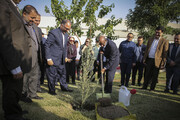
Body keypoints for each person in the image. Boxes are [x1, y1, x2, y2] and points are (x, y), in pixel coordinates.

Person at [0, 0, 32, 119]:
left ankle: (15, 110)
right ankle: (12, 115)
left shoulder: (13, 6)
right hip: (11, 61)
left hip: (17, 59)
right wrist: (13, 66)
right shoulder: (3, 4)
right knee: (11, 91)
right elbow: (3, 36)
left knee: (16, 90)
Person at [45, 19, 73, 95]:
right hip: (53, 59)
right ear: (61, 25)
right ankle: (52, 90)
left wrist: (65, 56)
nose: (67, 30)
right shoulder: (53, 33)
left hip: (62, 59)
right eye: (66, 28)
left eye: (69, 29)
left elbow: (64, 47)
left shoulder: (66, 35)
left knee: (63, 74)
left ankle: (64, 87)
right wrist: (48, 58)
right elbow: (47, 45)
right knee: (52, 75)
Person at [21, 5, 43, 100]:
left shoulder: (35, 28)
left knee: (34, 76)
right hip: (25, 56)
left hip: (36, 56)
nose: (34, 20)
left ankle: (32, 94)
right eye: (32, 17)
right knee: (25, 78)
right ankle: (23, 94)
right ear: (24, 14)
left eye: (35, 18)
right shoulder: (20, 25)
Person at [142, 26, 169, 91]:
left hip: (157, 61)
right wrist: (144, 59)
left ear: (162, 33)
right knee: (146, 73)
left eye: (159, 33)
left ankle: (152, 88)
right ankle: (144, 86)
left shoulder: (164, 41)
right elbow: (146, 50)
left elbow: (165, 54)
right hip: (149, 59)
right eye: (156, 32)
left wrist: (163, 63)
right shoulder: (150, 39)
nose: (157, 34)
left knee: (154, 75)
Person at [33, 13, 43, 92]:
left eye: (39, 21)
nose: (38, 22)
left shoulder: (39, 30)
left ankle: (37, 87)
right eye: (36, 20)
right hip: (30, 55)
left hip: (38, 55)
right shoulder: (27, 28)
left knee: (38, 73)